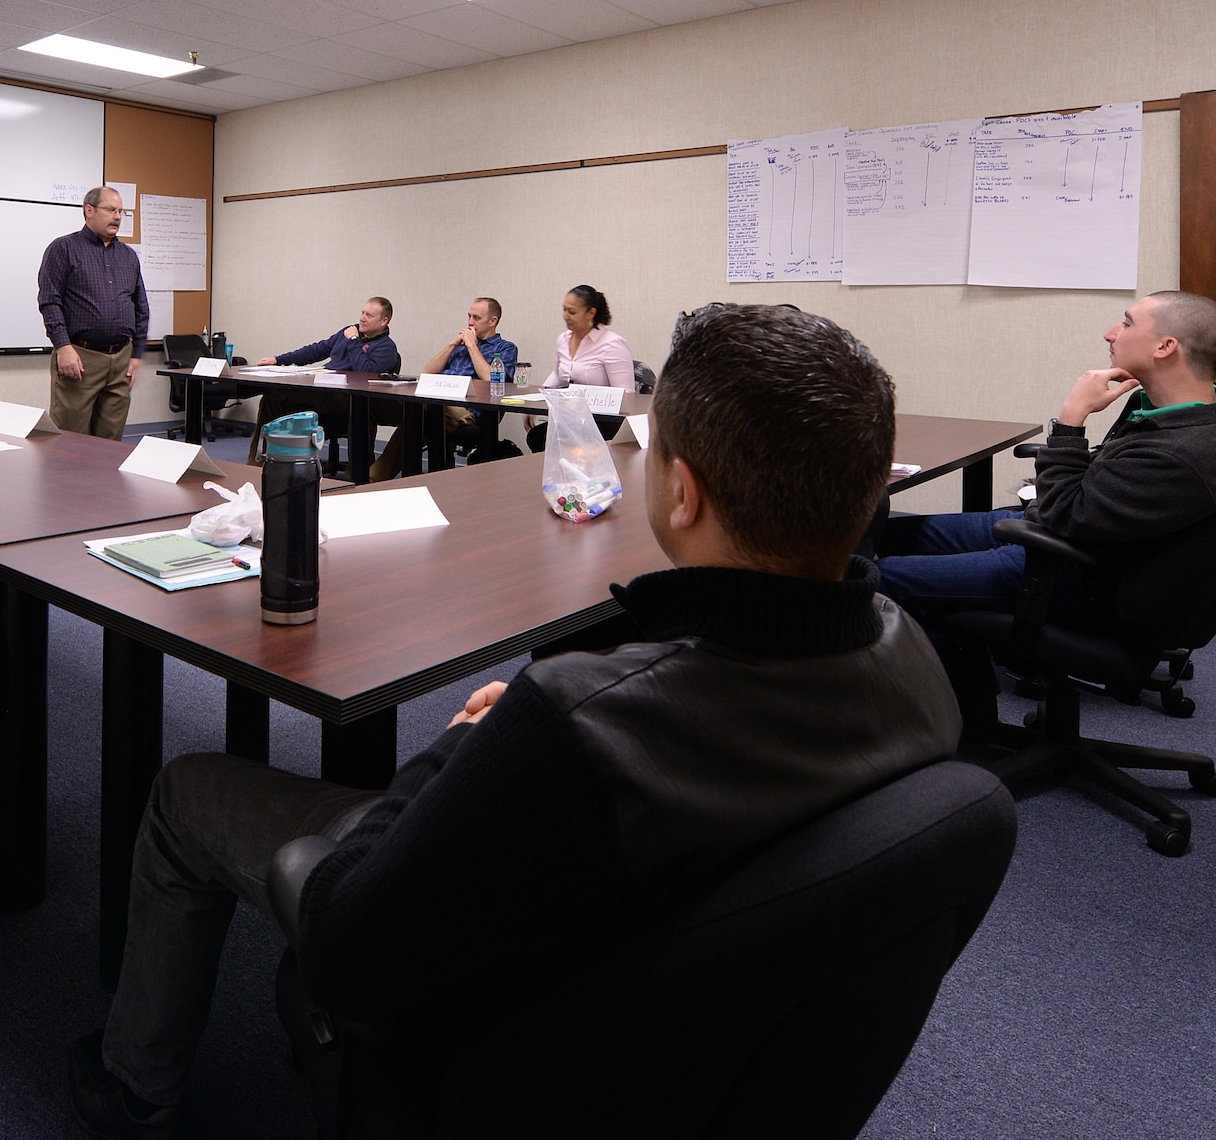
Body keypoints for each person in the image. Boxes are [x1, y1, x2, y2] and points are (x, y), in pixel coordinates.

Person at [67, 303, 962, 1139]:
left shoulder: (583, 718)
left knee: (189, 788)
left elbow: (347, 941)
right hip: (691, 998)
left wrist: (464, 743)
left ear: (680, 492)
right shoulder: (915, 659)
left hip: (539, 1013)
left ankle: (134, 1085)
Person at [874, 290, 1216, 722]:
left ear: (1164, 346)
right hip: (1075, 536)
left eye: (1128, 323)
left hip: (1076, 571)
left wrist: (1072, 417)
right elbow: (1090, 496)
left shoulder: (1186, 453)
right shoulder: (1204, 407)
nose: (1111, 333)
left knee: (873, 578)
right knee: (884, 535)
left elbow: (1066, 516)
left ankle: (958, 711)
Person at [38, 187, 150, 440]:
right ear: (89, 211)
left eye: (121, 211)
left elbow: (140, 306)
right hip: (80, 357)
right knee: (71, 438)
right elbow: (49, 301)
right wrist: (63, 347)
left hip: (121, 358)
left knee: (111, 438)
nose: (118, 217)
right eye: (111, 210)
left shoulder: (128, 256)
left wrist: (137, 354)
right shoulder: (64, 248)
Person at [367, 296, 518, 479]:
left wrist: (471, 346)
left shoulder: (505, 348)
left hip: (468, 409)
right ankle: (374, 475)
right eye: (469, 316)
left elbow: (492, 380)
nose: (470, 322)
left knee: (422, 410)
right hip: (437, 399)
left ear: (492, 321)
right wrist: (452, 345)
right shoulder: (459, 346)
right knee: (411, 408)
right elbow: (427, 372)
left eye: (476, 318)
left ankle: (375, 477)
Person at [245, 297, 401, 468]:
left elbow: (364, 373)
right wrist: (278, 360)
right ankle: (258, 462)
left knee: (286, 392)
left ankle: (356, 471)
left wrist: (354, 341)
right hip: (323, 388)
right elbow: (317, 350)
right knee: (272, 396)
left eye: (369, 315)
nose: (362, 318)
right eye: (362, 313)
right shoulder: (348, 332)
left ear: (384, 321)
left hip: (347, 397)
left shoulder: (386, 347)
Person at [526, 284, 634, 451]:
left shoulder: (612, 344)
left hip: (603, 421)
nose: (565, 316)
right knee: (537, 437)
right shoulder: (563, 339)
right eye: (564, 310)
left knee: (555, 442)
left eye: (572, 312)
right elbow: (557, 375)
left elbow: (627, 394)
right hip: (573, 416)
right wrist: (534, 403)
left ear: (591, 313)